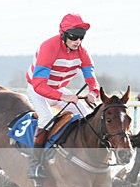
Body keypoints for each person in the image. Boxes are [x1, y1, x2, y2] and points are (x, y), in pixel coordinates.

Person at [25, 13, 100, 178]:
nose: (78, 41)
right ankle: (35, 164)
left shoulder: (82, 52)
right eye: (74, 37)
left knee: (88, 117)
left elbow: (91, 79)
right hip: (37, 89)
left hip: (58, 89)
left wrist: (93, 93)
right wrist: (63, 97)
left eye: (81, 37)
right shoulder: (48, 47)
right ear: (64, 35)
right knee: (46, 118)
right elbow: (39, 85)